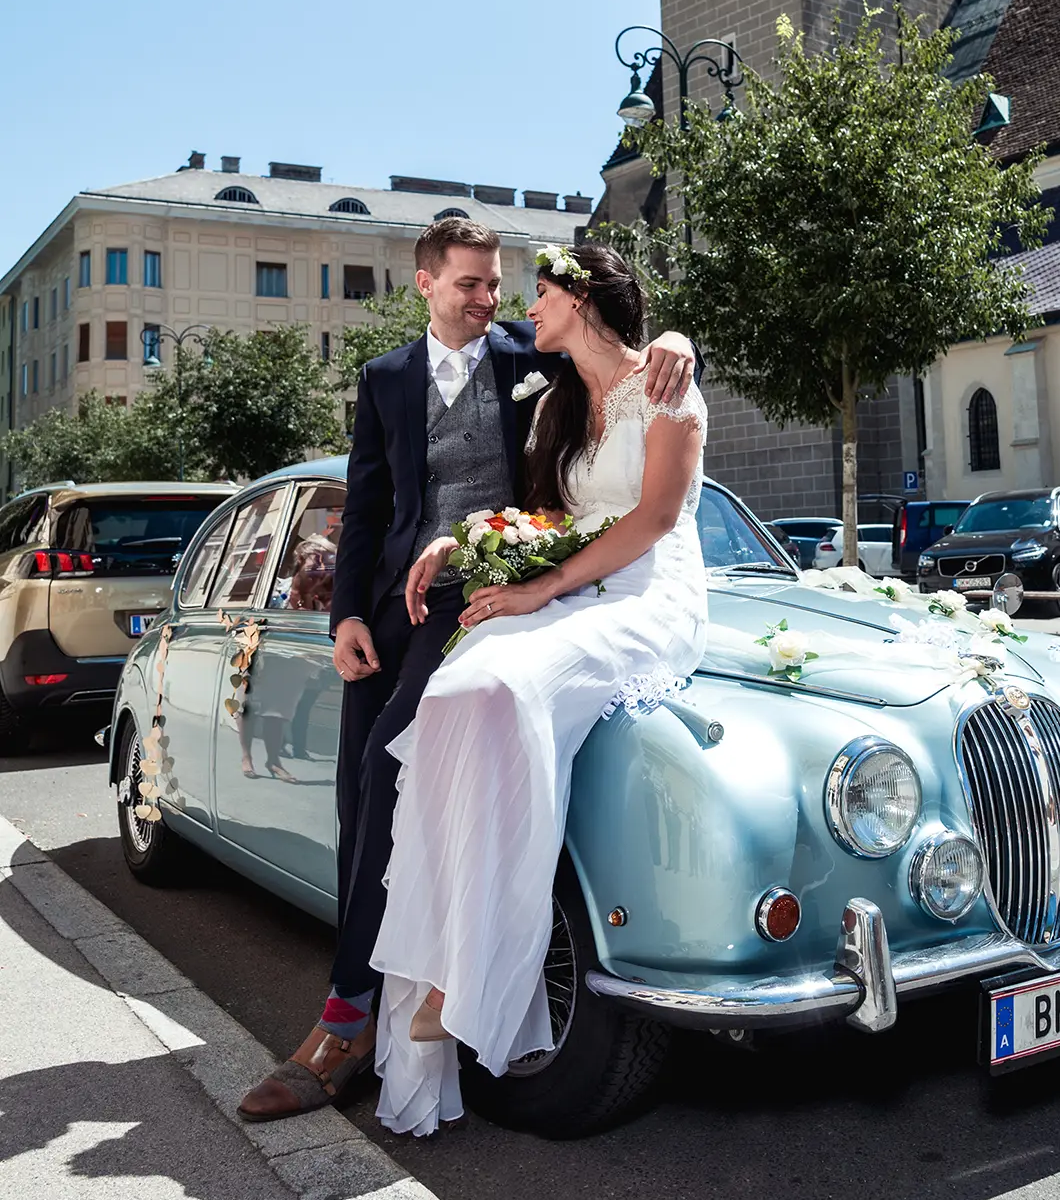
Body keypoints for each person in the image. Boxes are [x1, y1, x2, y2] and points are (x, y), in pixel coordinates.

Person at [237, 219, 695, 1122]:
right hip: (393, 608)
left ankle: (344, 1024)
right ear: (425, 285)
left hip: (488, 595)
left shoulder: (538, 353)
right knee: (358, 800)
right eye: (472, 285)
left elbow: (634, 359)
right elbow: (365, 507)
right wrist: (347, 617)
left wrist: (679, 339)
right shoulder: (384, 380)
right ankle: (367, 997)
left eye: (497, 284)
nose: (491, 298)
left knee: (390, 771)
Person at [370, 241, 709, 1136]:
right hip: (576, 584)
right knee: (457, 691)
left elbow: (654, 518)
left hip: (647, 593)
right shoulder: (555, 398)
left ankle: (482, 976)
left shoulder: (670, 386)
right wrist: (463, 540)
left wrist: (539, 589)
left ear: (580, 298)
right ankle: (444, 951)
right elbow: (549, 517)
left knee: (511, 686)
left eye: (543, 292)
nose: (528, 309)